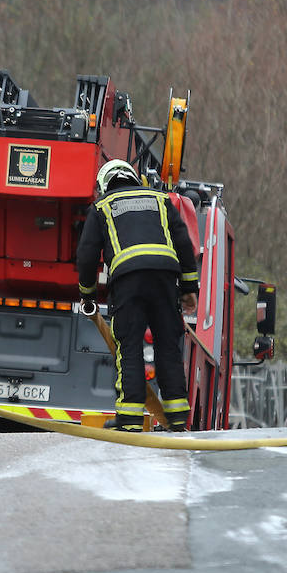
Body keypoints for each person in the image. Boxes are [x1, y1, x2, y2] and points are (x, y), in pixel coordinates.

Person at [76, 159, 199, 432]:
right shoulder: (161, 200)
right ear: (134, 178)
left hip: (128, 281)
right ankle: (177, 420)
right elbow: (183, 242)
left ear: (104, 185)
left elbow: (86, 255)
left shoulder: (101, 207)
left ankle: (129, 421)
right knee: (168, 345)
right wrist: (189, 288)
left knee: (129, 347)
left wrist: (87, 294)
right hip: (165, 279)